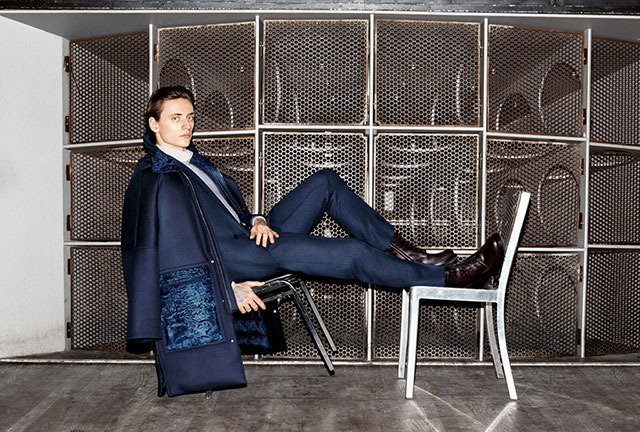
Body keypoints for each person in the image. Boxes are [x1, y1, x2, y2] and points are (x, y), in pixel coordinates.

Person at [121, 86, 504, 396]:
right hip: (228, 258)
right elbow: (164, 256)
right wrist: (227, 289)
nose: (186, 125)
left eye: (190, 117)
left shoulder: (194, 162)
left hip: (249, 235)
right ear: (154, 124)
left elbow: (228, 212)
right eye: (175, 118)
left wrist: (257, 218)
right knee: (352, 253)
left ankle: (410, 254)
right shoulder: (156, 178)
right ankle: (448, 278)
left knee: (325, 182)